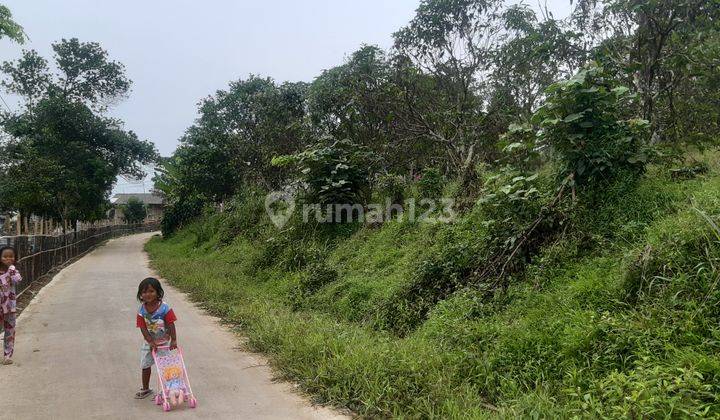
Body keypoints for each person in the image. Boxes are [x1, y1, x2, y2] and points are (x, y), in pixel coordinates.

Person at [135, 277, 178, 399]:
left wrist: (173, 339)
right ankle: (146, 388)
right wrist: (150, 341)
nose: (147, 294)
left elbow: (171, 323)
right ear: (140, 295)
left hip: (163, 343)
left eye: (151, 291)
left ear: (158, 292)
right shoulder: (141, 311)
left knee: (164, 365)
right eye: (144, 292)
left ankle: (167, 389)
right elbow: (142, 328)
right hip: (149, 343)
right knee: (145, 365)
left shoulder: (165, 308)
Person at [0, 246, 21, 365]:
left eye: (11, 256)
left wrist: (12, 270)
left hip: (10, 307)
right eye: (5, 256)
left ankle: (7, 356)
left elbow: (18, 280)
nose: (8, 259)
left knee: (9, 331)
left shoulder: (14, 271)